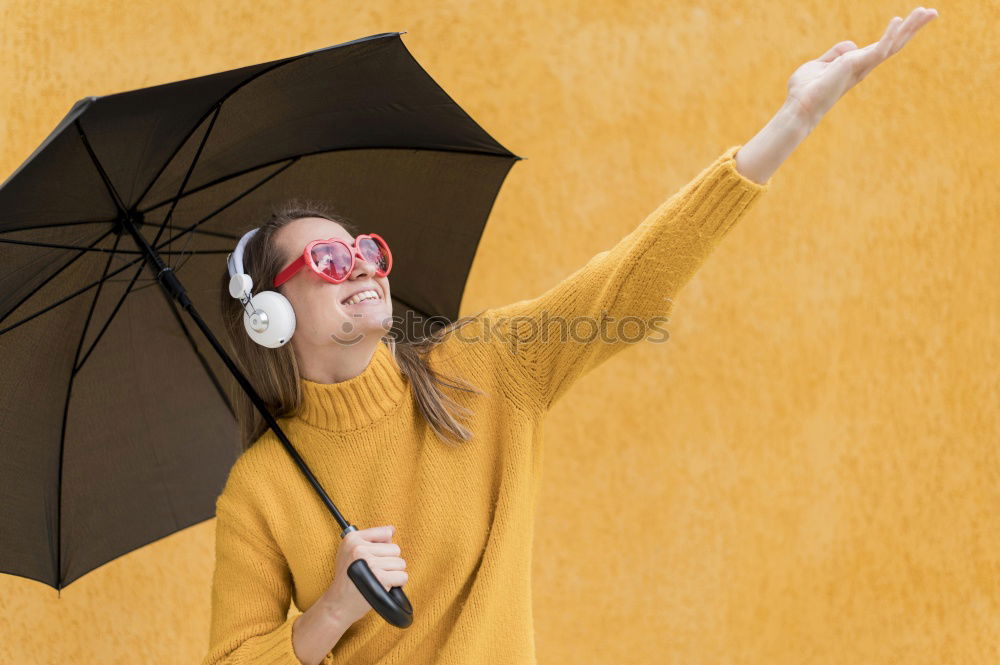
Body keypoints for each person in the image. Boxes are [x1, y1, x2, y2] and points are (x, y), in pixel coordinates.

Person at [199, 9, 939, 665]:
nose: (360, 265)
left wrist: (795, 119)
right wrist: (331, 611)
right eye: (328, 260)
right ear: (272, 313)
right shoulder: (262, 490)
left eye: (364, 249)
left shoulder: (486, 366)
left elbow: (631, 282)